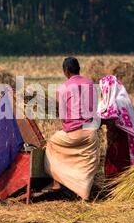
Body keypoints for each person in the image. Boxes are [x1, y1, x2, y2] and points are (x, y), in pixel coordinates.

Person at [43, 57, 100, 200]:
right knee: (86, 164)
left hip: (73, 134)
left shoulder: (63, 88)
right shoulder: (91, 84)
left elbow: (63, 116)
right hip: (91, 133)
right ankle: (85, 193)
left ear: (66, 71)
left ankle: (58, 181)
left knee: (51, 144)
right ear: (79, 69)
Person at [97, 75, 134, 177]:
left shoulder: (119, 102)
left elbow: (110, 119)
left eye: (102, 90)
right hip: (119, 141)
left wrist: (96, 122)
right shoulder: (120, 99)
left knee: (117, 171)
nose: (102, 93)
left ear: (108, 89)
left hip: (122, 141)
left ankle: (116, 190)